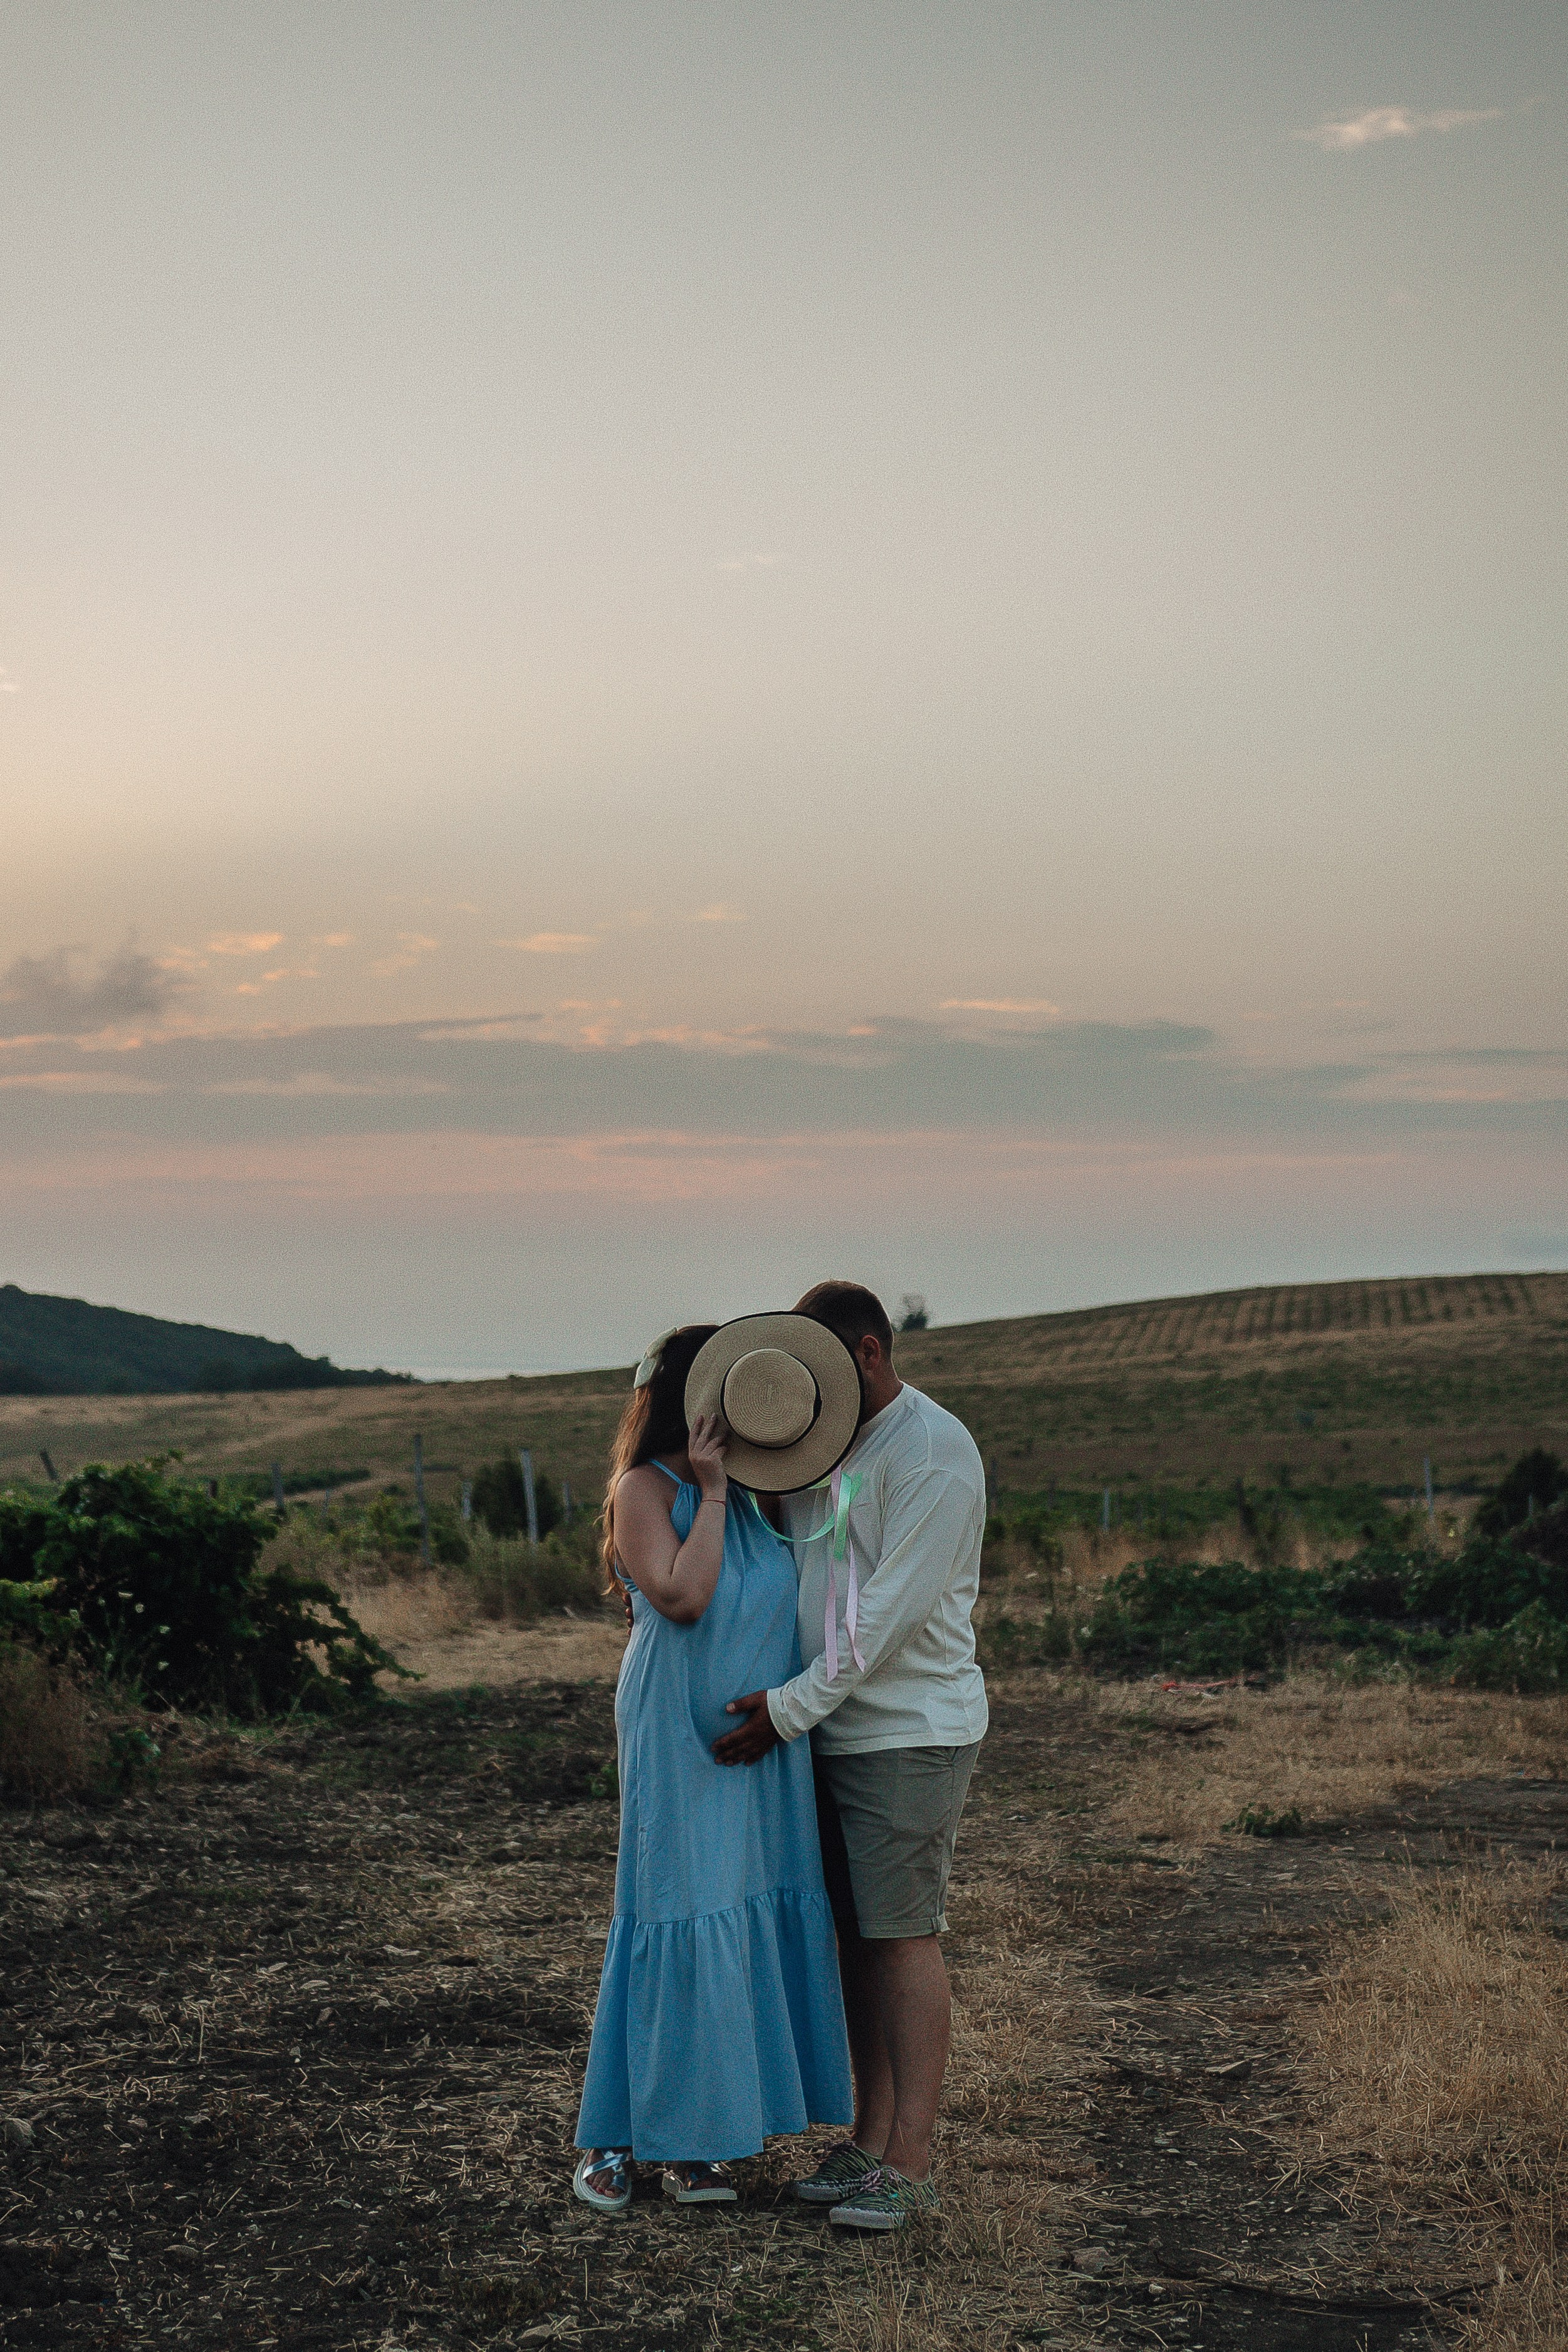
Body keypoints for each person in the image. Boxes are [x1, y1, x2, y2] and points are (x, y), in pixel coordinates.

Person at [713, 1281, 987, 2232]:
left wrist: (788, 1709)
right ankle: (869, 2142)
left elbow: (886, 1614)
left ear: (870, 1351)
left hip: (906, 1728)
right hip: (827, 1729)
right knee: (856, 1939)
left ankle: (910, 2160)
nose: (816, 1396)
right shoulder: (822, 1444)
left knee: (902, 1934)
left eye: (831, 1372)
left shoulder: (932, 1452)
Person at [572, 1324, 853, 2212]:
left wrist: (790, 1712)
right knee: (674, 1909)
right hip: (676, 1736)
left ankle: (701, 2142)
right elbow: (684, 1597)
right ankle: (614, 2138)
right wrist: (714, 1490)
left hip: (765, 1744)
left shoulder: (770, 1498)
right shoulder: (644, 1489)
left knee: (741, 1903)